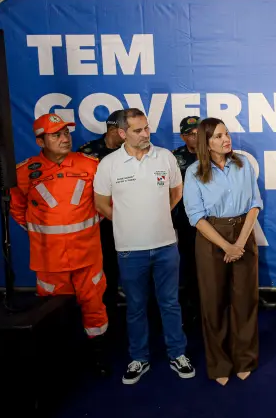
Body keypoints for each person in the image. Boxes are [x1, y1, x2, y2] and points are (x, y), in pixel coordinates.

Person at [93, 108, 195, 385]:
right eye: (138, 130)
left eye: (146, 128)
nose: (145, 134)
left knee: (170, 303)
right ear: (122, 133)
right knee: (136, 306)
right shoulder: (109, 164)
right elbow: (101, 203)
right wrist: (125, 221)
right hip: (129, 249)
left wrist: (160, 214)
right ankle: (139, 357)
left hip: (166, 246)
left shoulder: (165, 157)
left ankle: (178, 353)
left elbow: (177, 191)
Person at [10, 113, 109, 376]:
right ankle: (59, 361)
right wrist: (46, 234)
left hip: (87, 254)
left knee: (94, 305)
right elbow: (18, 210)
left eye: (66, 133)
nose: (65, 139)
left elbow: (104, 204)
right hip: (49, 259)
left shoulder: (91, 165)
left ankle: (98, 355)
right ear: (40, 141)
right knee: (53, 310)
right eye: (56, 135)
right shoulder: (23, 172)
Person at [183, 118, 262, 386]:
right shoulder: (194, 172)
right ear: (206, 143)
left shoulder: (243, 165)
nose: (226, 139)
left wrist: (239, 243)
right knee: (213, 302)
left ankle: (245, 359)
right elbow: (196, 217)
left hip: (243, 233)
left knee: (245, 300)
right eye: (218, 136)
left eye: (226, 133)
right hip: (211, 238)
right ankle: (219, 364)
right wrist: (226, 246)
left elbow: (254, 204)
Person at [78, 109, 125, 312]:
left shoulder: (131, 151)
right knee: (105, 262)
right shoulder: (88, 152)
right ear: (113, 130)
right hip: (100, 219)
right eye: (125, 131)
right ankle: (107, 302)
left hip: (127, 216)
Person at [172, 116, 200, 325]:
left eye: (200, 133)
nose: (196, 137)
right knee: (190, 267)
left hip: (213, 221)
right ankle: (193, 309)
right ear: (183, 137)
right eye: (191, 134)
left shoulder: (216, 154)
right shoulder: (174, 159)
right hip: (187, 223)